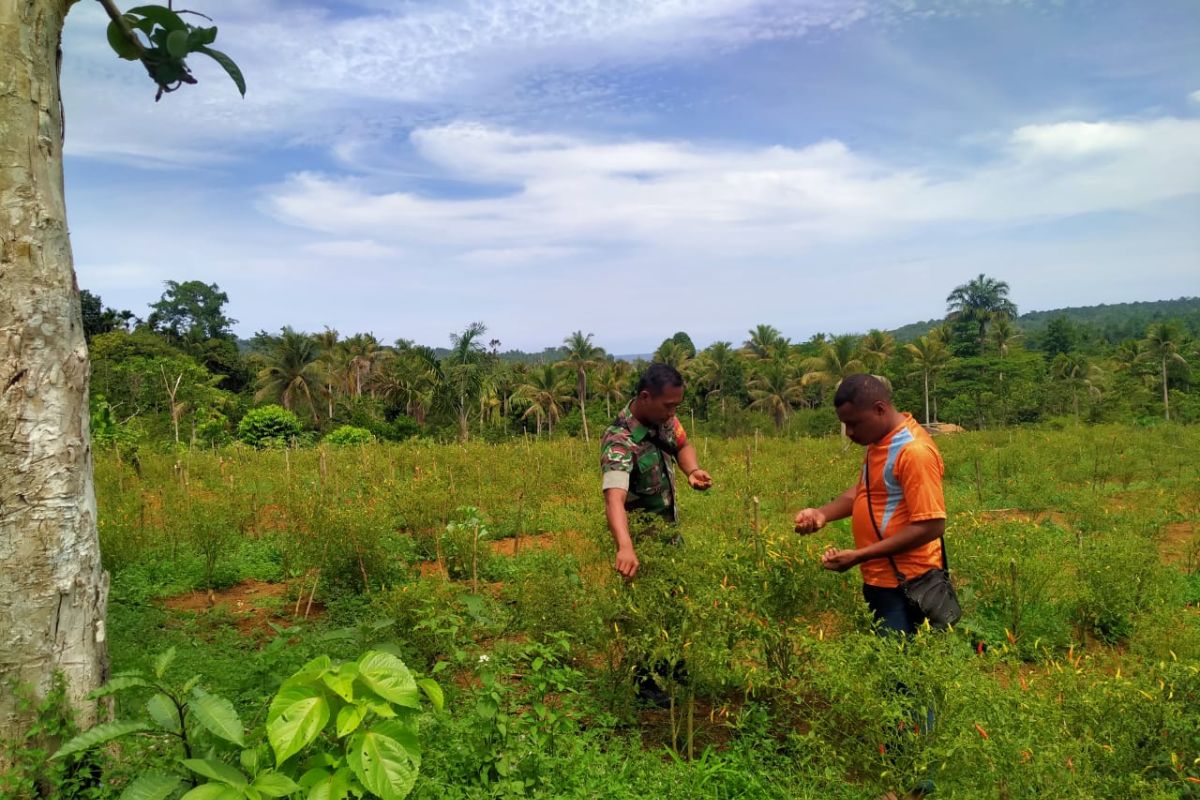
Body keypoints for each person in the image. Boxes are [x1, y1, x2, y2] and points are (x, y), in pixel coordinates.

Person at [793, 373, 947, 635]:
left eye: (854, 424)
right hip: (881, 579)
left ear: (879, 409)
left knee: (900, 669)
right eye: (845, 425)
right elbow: (866, 492)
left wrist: (859, 555)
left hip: (909, 584)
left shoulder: (914, 452)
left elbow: (932, 525)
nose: (850, 433)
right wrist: (822, 514)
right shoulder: (881, 442)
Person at [600, 363, 712, 579]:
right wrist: (625, 547)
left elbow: (682, 446)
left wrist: (692, 470)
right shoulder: (619, 441)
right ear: (645, 397)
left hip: (671, 539)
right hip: (641, 554)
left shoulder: (664, 419)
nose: (672, 413)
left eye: (676, 406)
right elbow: (614, 499)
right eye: (668, 406)